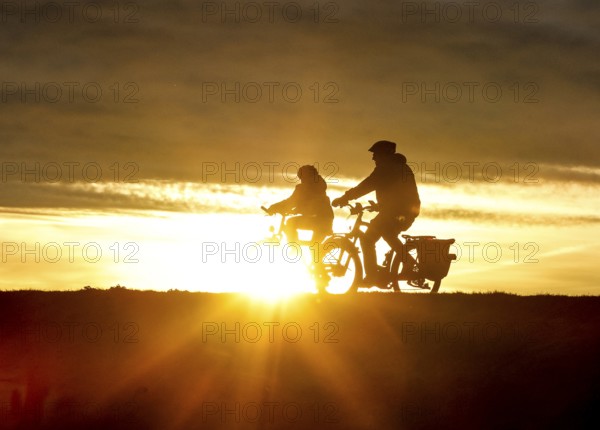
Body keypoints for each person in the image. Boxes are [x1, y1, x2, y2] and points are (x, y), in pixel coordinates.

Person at [331, 140, 420, 287]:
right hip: (402, 210)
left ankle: (374, 275)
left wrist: (345, 198)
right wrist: (380, 206)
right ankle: (396, 268)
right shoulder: (399, 167)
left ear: (384, 154)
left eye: (375, 154)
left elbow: (367, 185)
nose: (373, 158)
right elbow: (399, 193)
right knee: (385, 233)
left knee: (368, 239)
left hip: (399, 212)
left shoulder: (387, 168)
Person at [266, 165, 334, 244]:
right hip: (327, 222)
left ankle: (294, 248)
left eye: (301, 177)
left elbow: (291, 202)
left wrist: (274, 207)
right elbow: (306, 204)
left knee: (291, 223)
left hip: (318, 221)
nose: (301, 180)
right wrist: (296, 210)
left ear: (306, 176)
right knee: (315, 248)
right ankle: (296, 247)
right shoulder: (319, 186)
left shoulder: (303, 188)